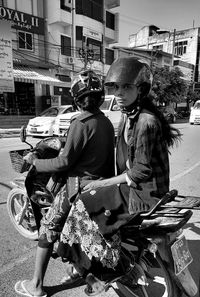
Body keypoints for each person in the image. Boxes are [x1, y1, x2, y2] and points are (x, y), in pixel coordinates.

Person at [57, 57, 181, 296]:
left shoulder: (145, 121)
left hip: (143, 194)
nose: (120, 93)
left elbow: (140, 171)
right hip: (139, 187)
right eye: (116, 87)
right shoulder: (130, 114)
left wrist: (102, 182)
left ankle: (103, 271)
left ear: (141, 89)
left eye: (127, 87)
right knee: (91, 198)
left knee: (83, 203)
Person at [14, 70, 115, 297]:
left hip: (78, 187)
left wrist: (37, 162)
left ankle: (36, 286)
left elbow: (65, 161)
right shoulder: (106, 122)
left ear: (76, 100)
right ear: (100, 97)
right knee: (72, 234)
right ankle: (76, 271)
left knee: (47, 229)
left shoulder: (81, 122)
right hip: (102, 187)